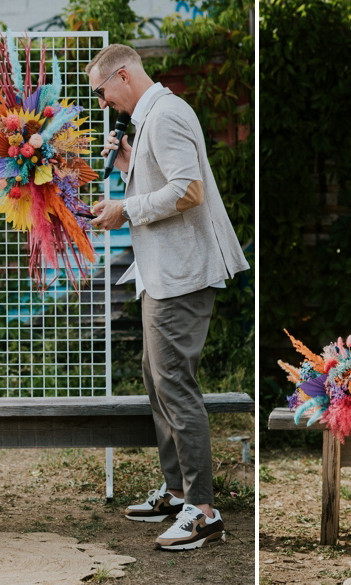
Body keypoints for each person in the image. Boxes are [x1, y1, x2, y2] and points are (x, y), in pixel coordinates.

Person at [86, 44, 249, 551]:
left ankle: (203, 512)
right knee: (158, 381)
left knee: (175, 386)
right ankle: (177, 492)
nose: (103, 103)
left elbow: (189, 191)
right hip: (163, 273)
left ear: (122, 74)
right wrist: (131, 162)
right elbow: (167, 176)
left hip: (183, 273)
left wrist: (125, 209)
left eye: (102, 92)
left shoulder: (167, 114)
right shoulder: (152, 118)